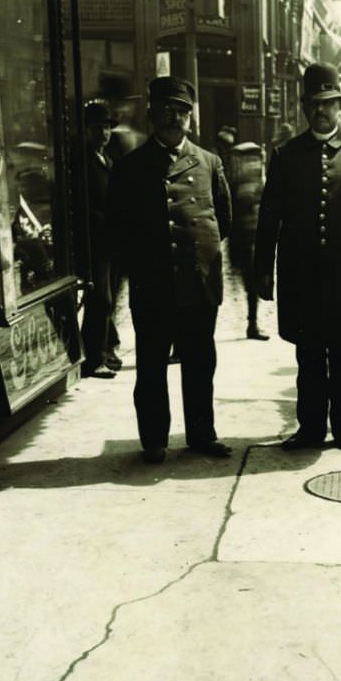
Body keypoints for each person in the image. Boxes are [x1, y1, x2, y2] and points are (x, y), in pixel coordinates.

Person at [254, 62, 341, 454]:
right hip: (303, 277)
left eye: (329, 103)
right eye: (314, 103)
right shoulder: (285, 155)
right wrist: (263, 269)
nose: (321, 111)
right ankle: (310, 427)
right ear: (302, 105)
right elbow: (269, 218)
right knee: (309, 354)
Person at [106, 76, 233, 465]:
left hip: (197, 283)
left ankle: (201, 434)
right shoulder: (129, 167)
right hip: (153, 285)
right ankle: (154, 440)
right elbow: (117, 228)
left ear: (191, 117)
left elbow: (222, 220)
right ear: (151, 114)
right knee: (151, 366)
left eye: (181, 111)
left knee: (199, 363)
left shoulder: (209, 162)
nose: (173, 118)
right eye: (165, 110)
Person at [79, 98, 119, 378]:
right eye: (97, 128)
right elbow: (84, 205)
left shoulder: (107, 159)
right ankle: (94, 359)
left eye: (106, 128)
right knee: (100, 299)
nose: (103, 133)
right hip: (94, 241)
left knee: (107, 297)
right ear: (87, 130)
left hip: (110, 241)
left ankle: (103, 348)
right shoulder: (82, 161)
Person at [226, 141, 269, 340]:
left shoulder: (253, 182)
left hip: (252, 234)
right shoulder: (235, 183)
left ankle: (252, 322)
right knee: (249, 281)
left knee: (251, 282)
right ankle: (252, 323)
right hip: (242, 236)